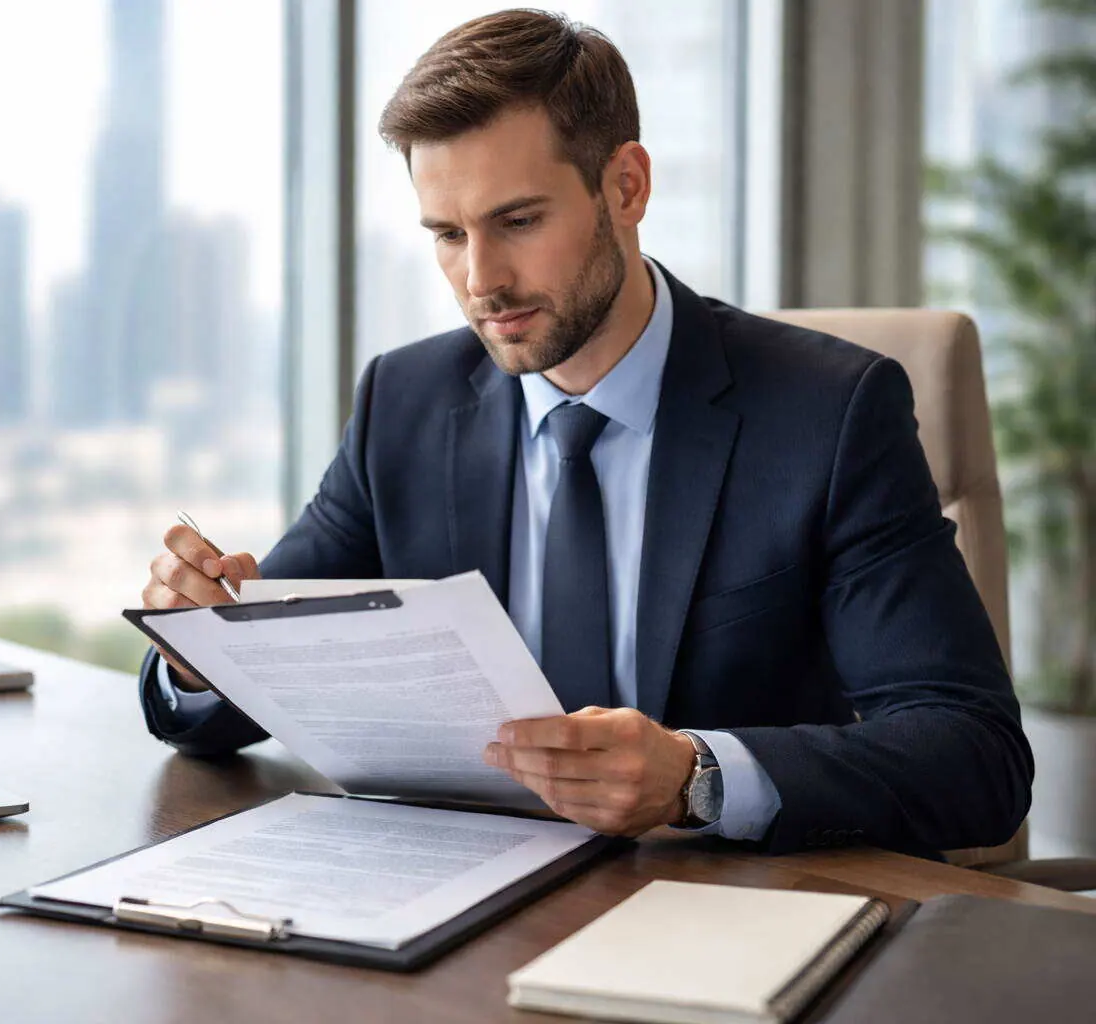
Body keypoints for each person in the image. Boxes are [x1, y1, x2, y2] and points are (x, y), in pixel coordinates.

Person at [136, 9, 1031, 857]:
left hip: (721, 915)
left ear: (626, 187)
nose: (481, 278)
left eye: (518, 221)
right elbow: (248, 685)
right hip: (458, 911)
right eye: (447, 234)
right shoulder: (403, 405)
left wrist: (699, 778)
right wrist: (201, 651)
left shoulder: (828, 413)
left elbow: (974, 757)